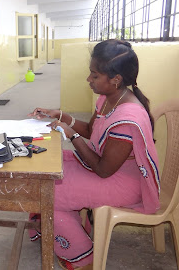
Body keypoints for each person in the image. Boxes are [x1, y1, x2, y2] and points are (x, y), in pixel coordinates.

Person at [27, 39, 160, 269]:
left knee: (47, 191)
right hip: (104, 169)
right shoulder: (109, 98)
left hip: (121, 183)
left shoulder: (128, 118)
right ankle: (71, 227)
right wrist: (60, 116)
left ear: (115, 79)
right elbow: (90, 130)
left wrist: (71, 136)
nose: (89, 79)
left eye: (94, 75)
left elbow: (103, 169)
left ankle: (82, 257)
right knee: (44, 169)